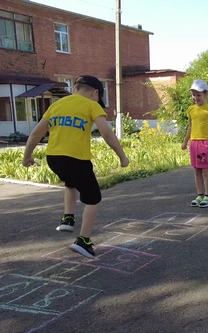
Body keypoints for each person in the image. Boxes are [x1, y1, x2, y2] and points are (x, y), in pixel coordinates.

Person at [22, 75, 129, 258]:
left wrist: (27, 156)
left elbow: (35, 133)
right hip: (77, 159)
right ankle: (84, 241)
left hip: (53, 158)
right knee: (93, 198)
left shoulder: (56, 105)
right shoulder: (91, 105)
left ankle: (68, 218)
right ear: (95, 93)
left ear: (76, 88)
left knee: (70, 183)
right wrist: (122, 156)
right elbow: (106, 133)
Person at [182, 79, 208, 208]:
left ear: (205, 94)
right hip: (194, 143)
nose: (195, 97)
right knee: (197, 170)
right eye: (193, 95)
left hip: (206, 143)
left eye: (198, 95)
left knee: (206, 171)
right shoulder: (191, 109)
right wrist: (185, 141)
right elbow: (190, 127)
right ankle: (199, 195)